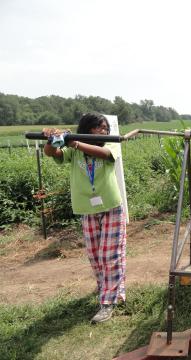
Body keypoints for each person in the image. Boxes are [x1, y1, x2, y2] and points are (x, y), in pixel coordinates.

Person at [43, 113, 126, 323]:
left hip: (110, 207)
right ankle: (107, 288)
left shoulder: (111, 144)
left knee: (110, 255)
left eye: (105, 128)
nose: (103, 131)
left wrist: (76, 143)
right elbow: (52, 154)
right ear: (86, 129)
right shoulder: (73, 151)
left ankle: (107, 303)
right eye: (98, 128)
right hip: (86, 209)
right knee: (95, 255)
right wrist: (51, 139)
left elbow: (105, 154)